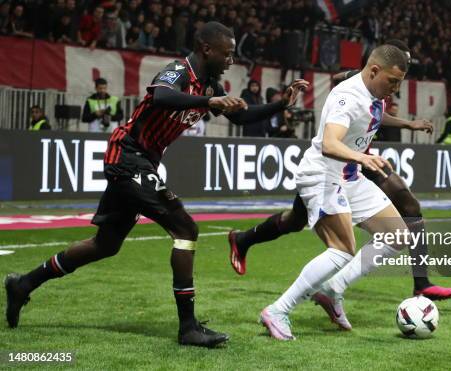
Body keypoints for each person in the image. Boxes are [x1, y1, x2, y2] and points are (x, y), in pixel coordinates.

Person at [5, 21, 308, 348]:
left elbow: (241, 116)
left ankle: (24, 284)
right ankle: (188, 327)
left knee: (105, 244)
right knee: (186, 229)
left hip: (141, 162)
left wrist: (280, 105)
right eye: (227, 54)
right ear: (207, 49)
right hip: (128, 155)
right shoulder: (179, 71)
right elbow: (161, 96)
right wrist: (208, 104)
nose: (231, 61)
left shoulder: (208, 84)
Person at [229, 41, 451, 305]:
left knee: (409, 207)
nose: (397, 86)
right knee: (297, 222)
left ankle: (420, 282)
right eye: (395, 75)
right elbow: (342, 95)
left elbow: (374, 113)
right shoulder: (356, 87)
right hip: (340, 160)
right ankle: (247, 243)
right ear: (374, 68)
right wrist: (347, 85)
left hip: (357, 164)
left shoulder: (381, 89)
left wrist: (408, 123)